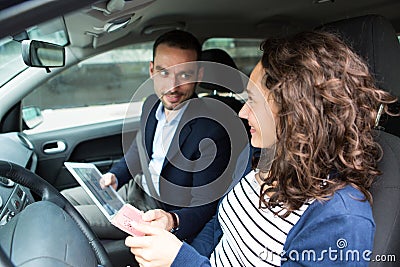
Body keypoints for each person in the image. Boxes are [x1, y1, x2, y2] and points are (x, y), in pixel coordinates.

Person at [124, 31, 397, 266]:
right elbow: (220, 226)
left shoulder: (340, 219)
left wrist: (179, 259)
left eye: (254, 101)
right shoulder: (260, 158)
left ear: (296, 112)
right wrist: (175, 231)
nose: (242, 113)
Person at [62, 29, 247, 241]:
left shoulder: (212, 130)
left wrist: (171, 220)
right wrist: (116, 176)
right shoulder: (151, 104)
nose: (172, 86)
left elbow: (205, 206)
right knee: (63, 198)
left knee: (68, 217)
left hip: (157, 212)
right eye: (164, 72)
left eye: (184, 75)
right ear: (151, 70)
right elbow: (139, 148)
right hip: (137, 187)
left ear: (198, 75)